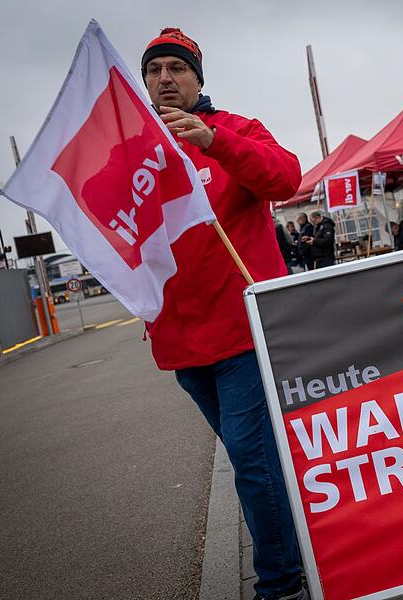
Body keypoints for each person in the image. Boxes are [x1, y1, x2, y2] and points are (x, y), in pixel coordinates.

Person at [140, 28, 306, 600]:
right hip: (181, 345)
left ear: (197, 79)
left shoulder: (234, 129)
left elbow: (287, 177)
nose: (165, 78)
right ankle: (306, 544)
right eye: (155, 69)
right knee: (261, 459)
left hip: (244, 332)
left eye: (177, 69)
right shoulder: (133, 151)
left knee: (251, 460)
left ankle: (281, 584)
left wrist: (212, 140)